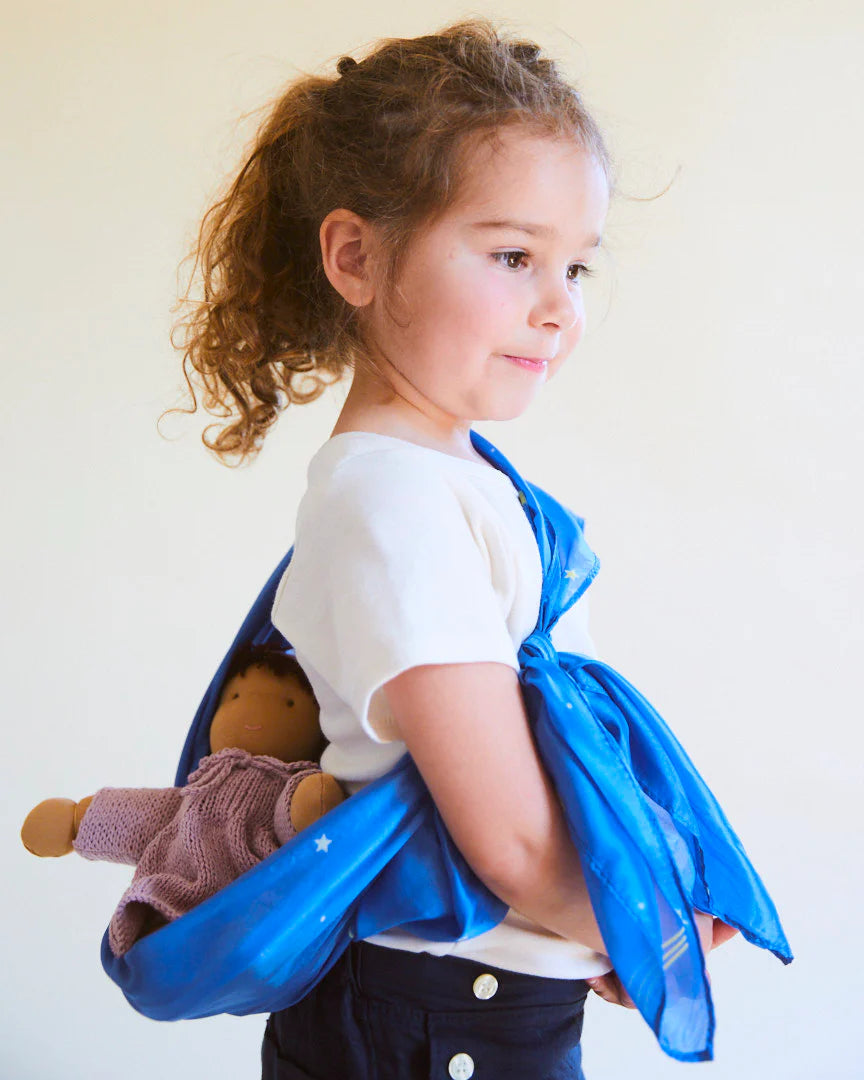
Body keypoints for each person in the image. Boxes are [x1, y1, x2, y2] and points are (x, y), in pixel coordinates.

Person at [165, 16, 739, 1079]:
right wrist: (643, 929)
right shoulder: (393, 501)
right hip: (436, 1020)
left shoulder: (441, 480)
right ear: (357, 256)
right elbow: (508, 839)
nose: (558, 309)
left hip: (464, 1003)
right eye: (515, 255)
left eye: (578, 268)